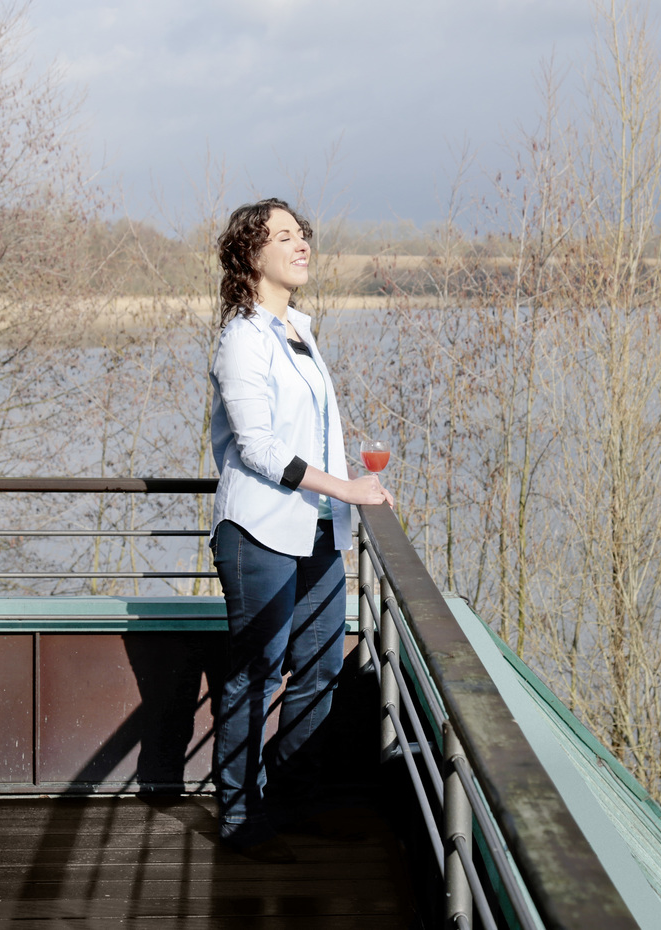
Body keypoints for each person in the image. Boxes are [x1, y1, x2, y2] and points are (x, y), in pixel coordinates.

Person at [208, 197, 392, 863]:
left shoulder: (299, 331)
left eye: (301, 233)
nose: (300, 244)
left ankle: (289, 797)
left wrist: (348, 488)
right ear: (250, 255)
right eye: (282, 236)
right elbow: (257, 447)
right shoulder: (243, 337)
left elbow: (308, 432)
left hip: (317, 530)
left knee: (319, 668)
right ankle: (239, 814)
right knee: (256, 673)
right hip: (258, 531)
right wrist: (345, 487)